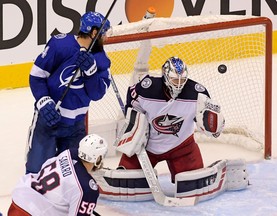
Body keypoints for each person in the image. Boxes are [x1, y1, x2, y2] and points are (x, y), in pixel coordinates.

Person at [25, 11, 111, 174]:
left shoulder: (101, 59)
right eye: (103, 33)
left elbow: (96, 94)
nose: (106, 38)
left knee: (72, 174)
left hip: (76, 125)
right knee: (37, 172)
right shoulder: (60, 45)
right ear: (94, 33)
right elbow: (36, 76)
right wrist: (43, 100)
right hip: (49, 119)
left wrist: (91, 73)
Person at [117, 56, 225, 183]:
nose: (179, 84)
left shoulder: (197, 93)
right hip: (147, 147)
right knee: (125, 181)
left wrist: (213, 124)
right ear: (166, 76)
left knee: (194, 183)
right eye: (174, 80)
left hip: (182, 147)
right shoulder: (147, 89)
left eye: (183, 79)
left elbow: (206, 119)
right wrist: (134, 121)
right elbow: (132, 99)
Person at [8, 134, 108, 216]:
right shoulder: (87, 188)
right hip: (33, 213)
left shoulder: (68, 153)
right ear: (98, 159)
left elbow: (46, 165)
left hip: (20, 200)